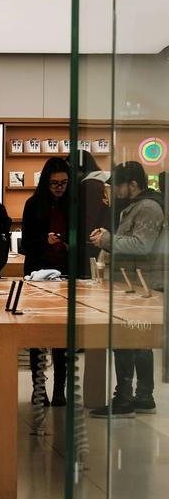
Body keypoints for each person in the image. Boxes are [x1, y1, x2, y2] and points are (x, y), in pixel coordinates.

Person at [89, 161, 167, 417]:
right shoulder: (137, 206)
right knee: (137, 341)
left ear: (133, 184)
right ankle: (142, 396)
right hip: (135, 284)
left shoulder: (148, 206)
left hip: (142, 285)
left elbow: (142, 245)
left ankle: (124, 398)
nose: (115, 190)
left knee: (126, 340)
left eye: (119, 185)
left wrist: (107, 239)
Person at [20, 157, 71, 407]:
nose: (59, 188)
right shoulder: (33, 205)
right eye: (54, 183)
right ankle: (38, 387)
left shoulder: (73, 205)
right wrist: (44, 240)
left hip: (65, 275)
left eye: (63, 183)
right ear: (45, 183)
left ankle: (60, 388)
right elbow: (24, 246)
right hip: (38, 276)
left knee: (62, 337)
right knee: (37, 335)